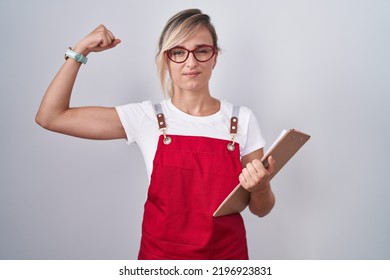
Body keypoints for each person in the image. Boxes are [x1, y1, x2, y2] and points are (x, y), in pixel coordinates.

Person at [36, 9, 276, 260]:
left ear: (215, 57)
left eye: (202, 51)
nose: (191, 62)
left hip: (226, 260)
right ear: (166, 59)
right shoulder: (146, 117)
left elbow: (261, 209)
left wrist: (261, 189)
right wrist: (80, 50)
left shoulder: (242, 120)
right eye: (179, 52)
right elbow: (51, 116)